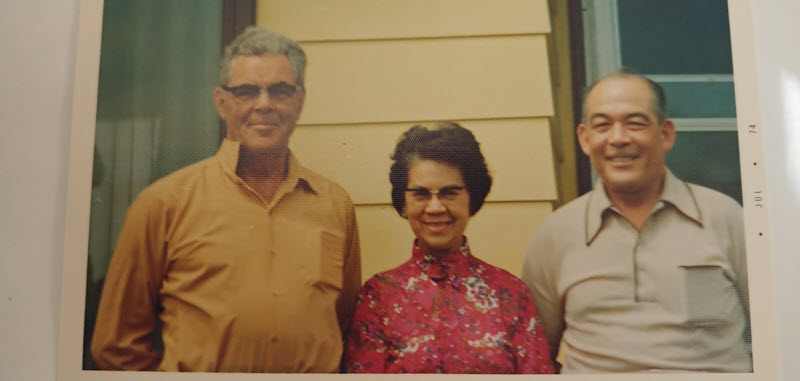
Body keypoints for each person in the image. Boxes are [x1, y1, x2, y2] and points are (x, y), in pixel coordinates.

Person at [90, 26, 361, 373]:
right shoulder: (164, 203)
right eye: (247, 91)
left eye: (279, 90)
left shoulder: (334, 205)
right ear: (221, 101)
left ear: (300, 100)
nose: (264, 105)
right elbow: (116, 345)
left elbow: (344, 325)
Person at [521, 71, 751, 373]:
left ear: (665, 133)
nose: (618, 139)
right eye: (602, 125)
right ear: (585, 139)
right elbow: (535, 356)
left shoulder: (726, 218)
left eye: (635, 123)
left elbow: (778, 330)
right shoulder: (556, 234)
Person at [342, 123, 554, 374]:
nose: (434, 208)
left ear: (471, 197)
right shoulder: (379, 297)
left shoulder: (510, 294)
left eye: (449, 193)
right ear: (404, 201)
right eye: (420, 194)